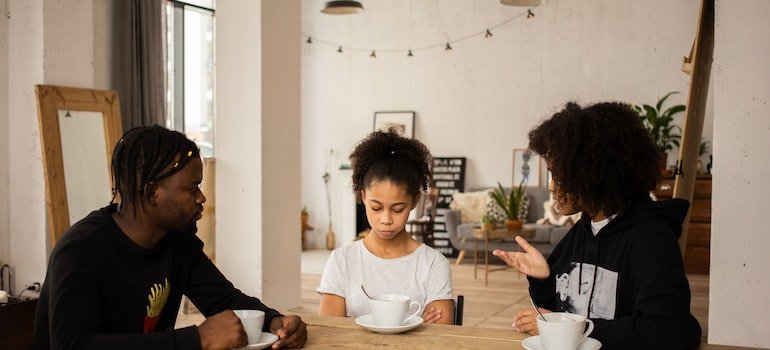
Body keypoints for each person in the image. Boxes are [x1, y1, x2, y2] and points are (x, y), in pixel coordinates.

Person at [32, 125, 307, 350]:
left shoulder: (177, 241)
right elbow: (73, 345)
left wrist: (275, 321)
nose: (202, 198)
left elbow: (221, 299)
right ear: (153, 193)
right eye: (192, 188)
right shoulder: (81, 251)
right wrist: (197, 339)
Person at [493, 102, 702, 348]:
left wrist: (573, 325)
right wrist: (544, 279)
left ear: (592, 173)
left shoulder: (650, 238)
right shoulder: (582, 230)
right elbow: (558, 310)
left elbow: (669, 330)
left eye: (557, 174)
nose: (551, 185)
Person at [317, 130, 454, 324]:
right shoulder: (342, 260)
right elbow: (329, 330)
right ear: (362, 196)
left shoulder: (433, 264)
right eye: (376, 207)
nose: (386, 219)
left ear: (414, 200)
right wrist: (415, 324)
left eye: (398, 209)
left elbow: (440, 336)